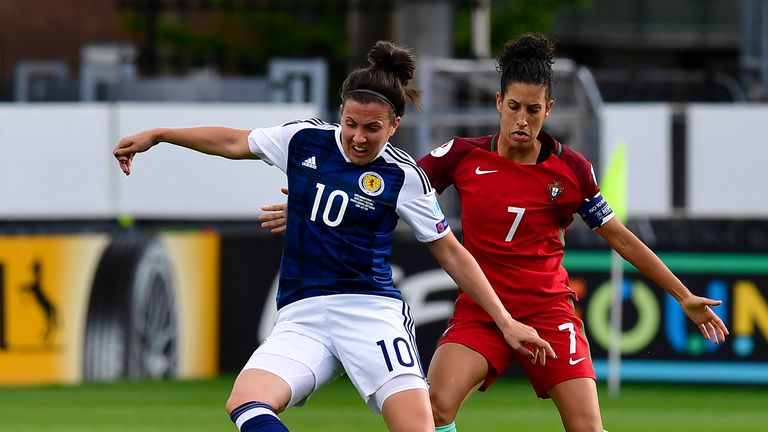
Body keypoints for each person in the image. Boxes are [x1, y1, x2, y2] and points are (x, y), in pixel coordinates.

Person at [258, 34, 730, 432]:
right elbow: (385, 191)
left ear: (549, 108)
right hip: (482, 312)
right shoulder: (461, 155)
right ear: (498, 102)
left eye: (534, 110)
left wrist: (682, 294)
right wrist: (310, 207)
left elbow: (622, 239)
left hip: (547, 310)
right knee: (434, 408)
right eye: (514, 107)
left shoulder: (572, 170)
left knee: (587, 427)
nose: (522, 121)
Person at [112, 40, 555, 432]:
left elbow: (453, 255)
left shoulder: (404, 176)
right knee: (246, 402)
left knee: (420, 427)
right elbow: (232, 142)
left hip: (370, 313)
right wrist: (161, 134)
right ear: (340, 113)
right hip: (303, 313)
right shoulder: (304, 139)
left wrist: (505, 321)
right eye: (350, 123)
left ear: (394, 125)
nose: (358, 138)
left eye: (372, 128)